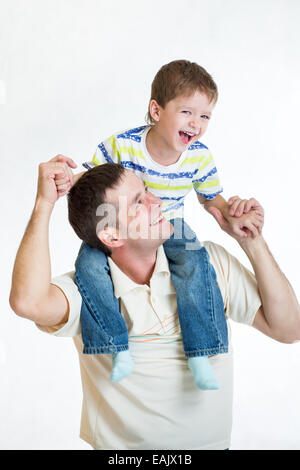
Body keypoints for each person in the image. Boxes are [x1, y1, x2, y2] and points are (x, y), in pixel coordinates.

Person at [10, 158, 300, 450]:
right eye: (138, 202)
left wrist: (252, 242)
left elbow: (289, 329)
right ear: (112, 234)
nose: (157, 201)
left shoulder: (208, 263)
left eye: (147, 190)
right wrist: (43, 205)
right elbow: (27, 301)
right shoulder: (85, 292)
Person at [54, 60, 263, 389]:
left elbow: (211, 199)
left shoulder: (199, 157)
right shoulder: (123, 145)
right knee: (87, 266)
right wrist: (67, 178)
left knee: (196, 264)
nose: (196, 123)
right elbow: (90, 179)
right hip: (120, 224)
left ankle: (199, 352)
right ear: (156, 110)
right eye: (187, 113)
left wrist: (233, 212)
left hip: (170, 224)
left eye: (205, 116)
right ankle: (115, 346)